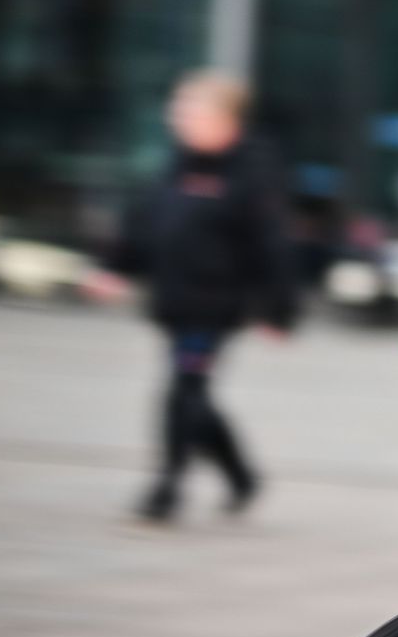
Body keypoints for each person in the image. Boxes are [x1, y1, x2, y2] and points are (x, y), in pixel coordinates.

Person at [89, 72, 297, 523]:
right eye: (178, 110)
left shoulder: (252, 174)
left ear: (225, 121)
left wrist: (278, 311)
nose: (177, 119)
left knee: (183, 393)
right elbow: (144, 224)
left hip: (215, 307)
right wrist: (114, 269)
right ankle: (240, 475)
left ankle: (167, 487)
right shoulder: (178, 166)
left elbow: (273, 245)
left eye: (190, 111)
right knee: (194, 397)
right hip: (175, 303)